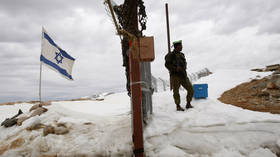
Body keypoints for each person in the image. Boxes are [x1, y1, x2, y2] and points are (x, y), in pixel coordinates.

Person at [165, 40, 194, 111]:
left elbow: (184, 64)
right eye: (180, 45)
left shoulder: (182, 55)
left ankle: (188, 103)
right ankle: (178, 106)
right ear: (177, 46)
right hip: (175, 76)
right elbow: (166, 64)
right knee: (176, 91)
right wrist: (175, 68)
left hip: (183, 75)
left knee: (191, 89)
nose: (182, 47)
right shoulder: (170, 55)